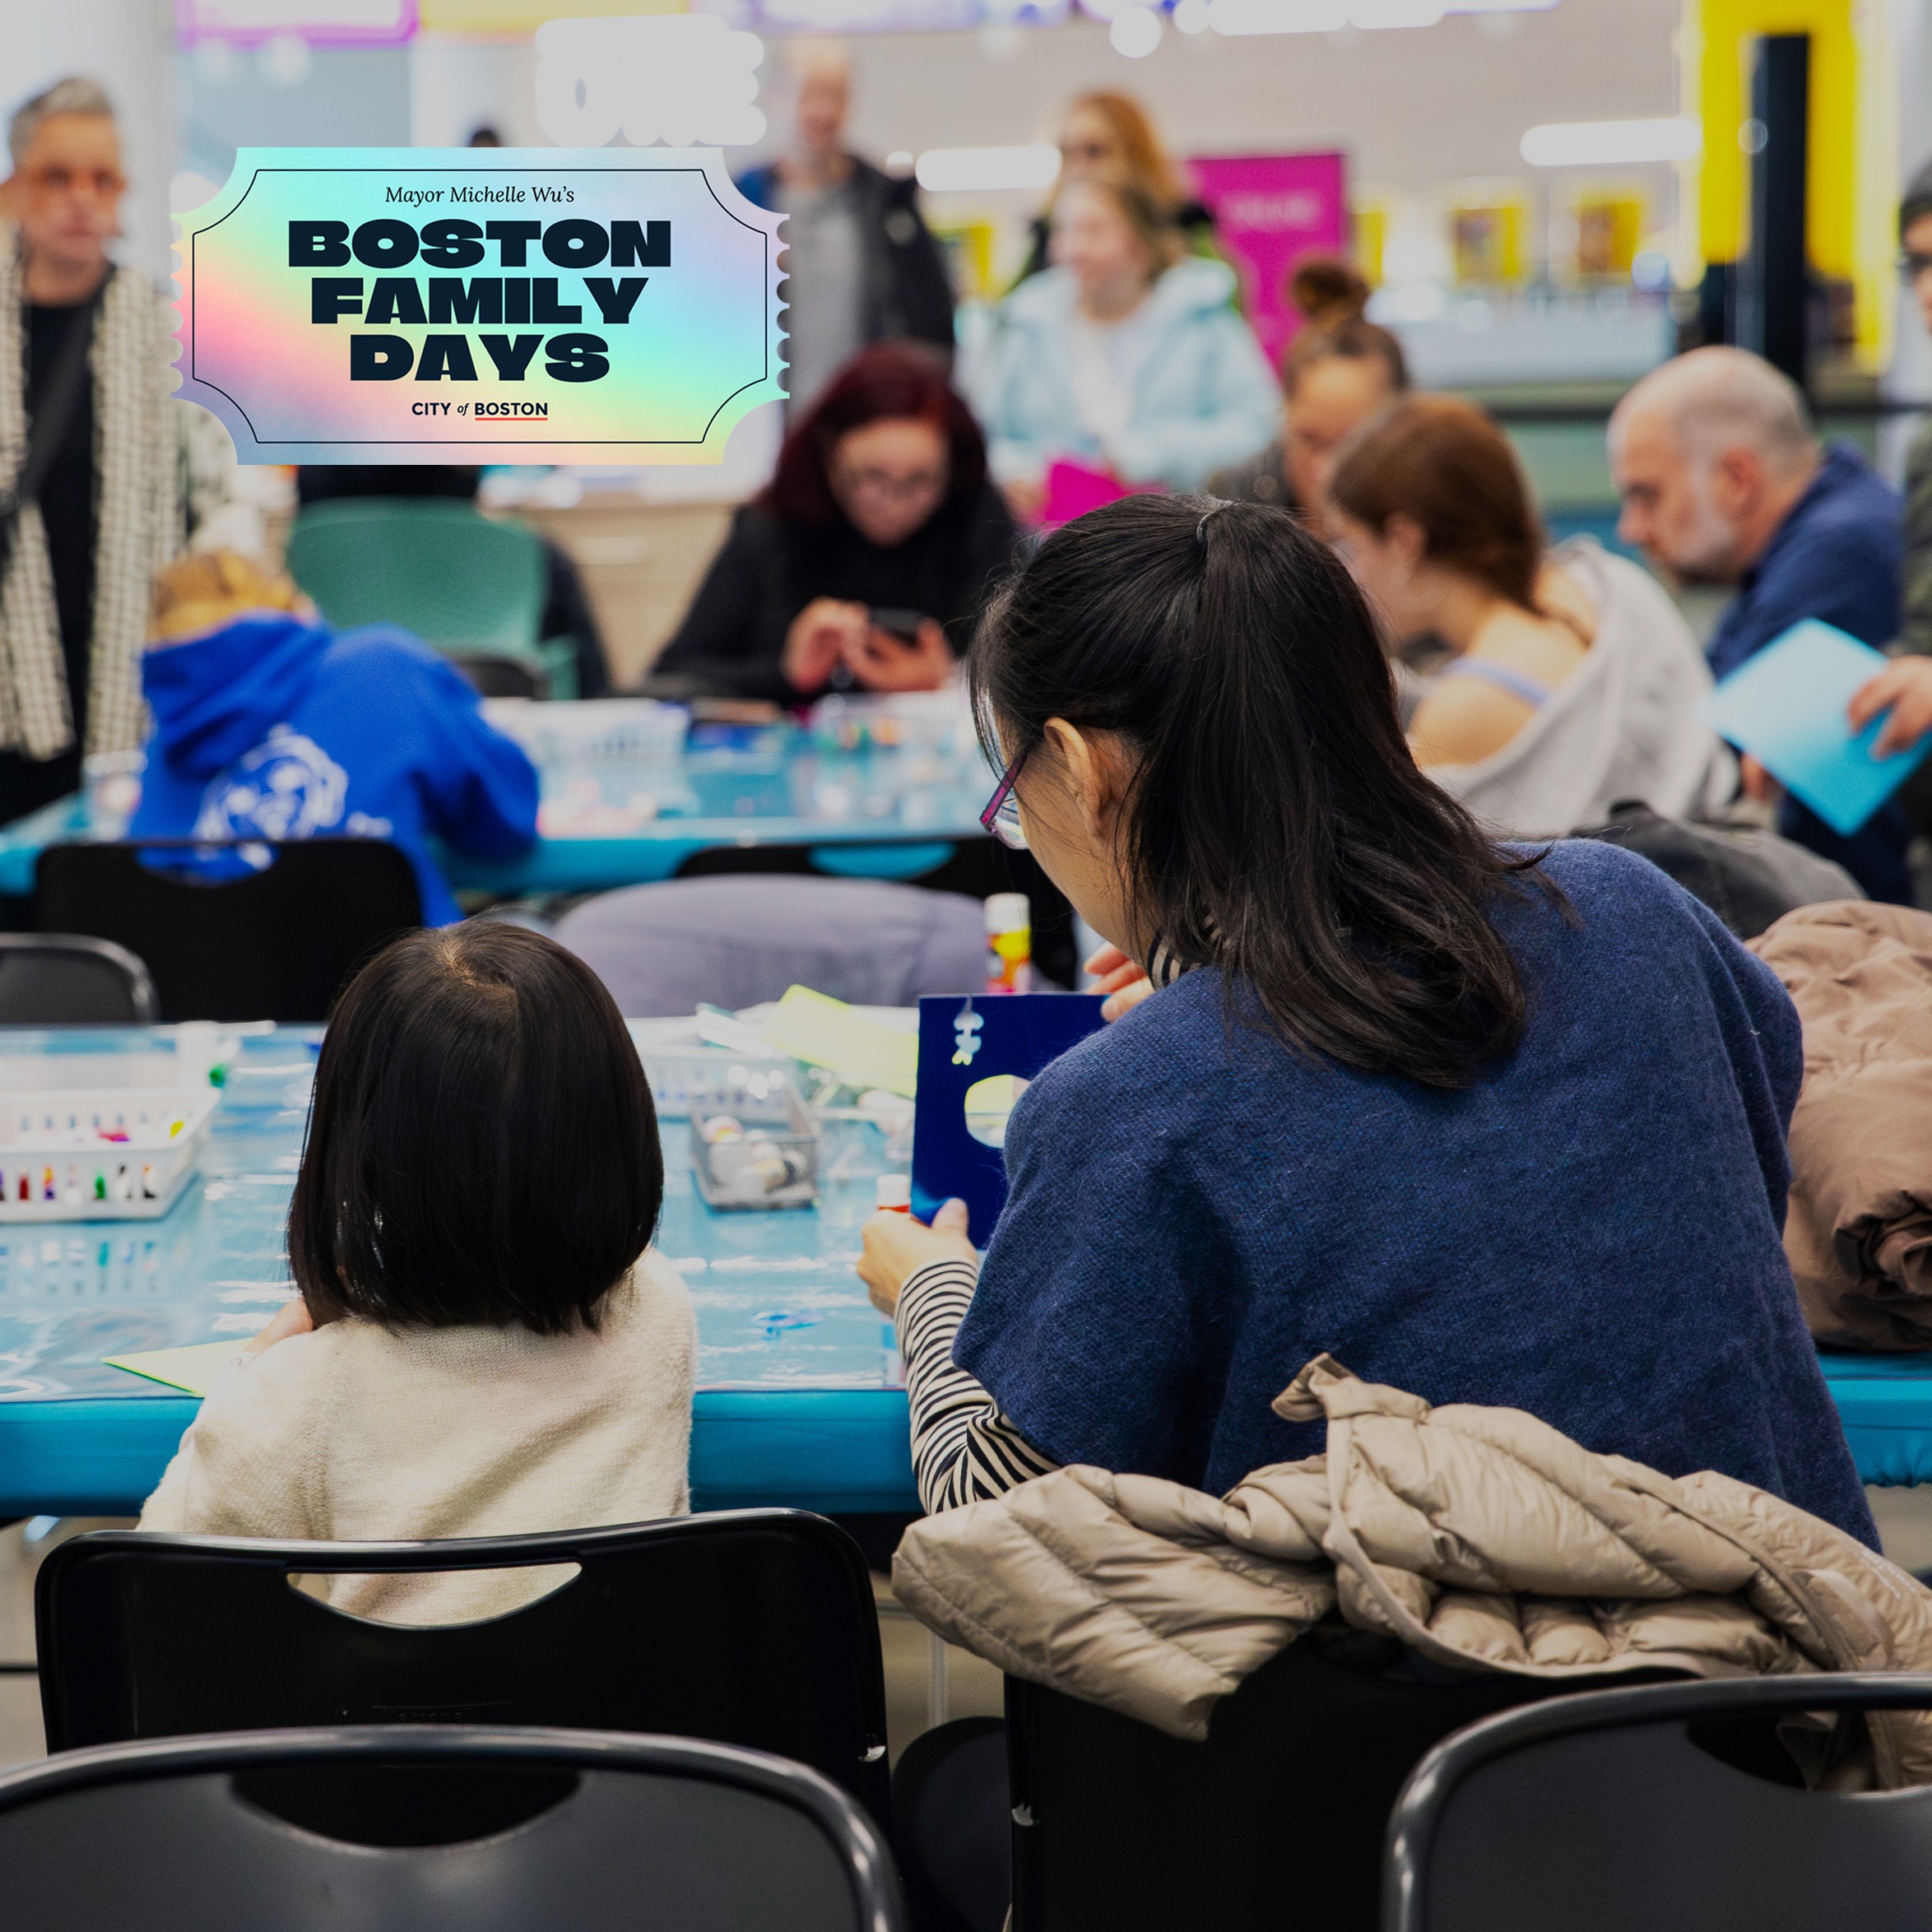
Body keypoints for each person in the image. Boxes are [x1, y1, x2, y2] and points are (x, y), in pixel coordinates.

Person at [857, 495, 1873, 1557]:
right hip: (1786, 1676)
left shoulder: (1135, 1100)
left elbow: (1004, 1515)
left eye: (1019, 799)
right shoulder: (1636, 911)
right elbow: (1749, 1120)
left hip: (1432, 1708)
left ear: (1084, 768)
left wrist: (930, 1291)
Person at [140, 922, 695, 1626]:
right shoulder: (656, 1314)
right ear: (621, 1129)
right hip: (628, 1734)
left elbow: (157, 1579)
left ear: (356, 1146)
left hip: (377, 1736)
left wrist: (252, 1367)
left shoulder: (297, 1397)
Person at [0, 78, 250, 829]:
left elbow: (226, 507)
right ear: (14, 188)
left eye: (102, 178)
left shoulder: (174, 329)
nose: (82, 198)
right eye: (57, 176)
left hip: (139, 703)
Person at [1328, 394, 1729, 834]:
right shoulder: (1614, 583)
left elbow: (1420, 873)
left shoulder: (1463, 709)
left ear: (1405, 541)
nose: (1351, 573)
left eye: (1354, 548)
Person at [1609, 346, 1914, 901]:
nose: (1632, 529)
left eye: (1647, 495)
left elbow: (1696, 756)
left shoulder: (1843, 552)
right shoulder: (1819, 537)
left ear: (1736, 479)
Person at [129, 550, 538, 927]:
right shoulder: (384, 666)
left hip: (214, 997)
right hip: (401, 993)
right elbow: (508, 821)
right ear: (293, 605)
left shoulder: (168, 735)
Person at [654, 344, 1018, 704]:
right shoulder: (774, 527)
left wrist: (951, 681)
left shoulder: (977, 518)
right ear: (829, 456)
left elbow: (1034, 672)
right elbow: (672, 676)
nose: (893, 503)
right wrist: (786, 675)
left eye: (920, 481)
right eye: (871, 478)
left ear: (951, 469)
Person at [965, 177, 1279, 509]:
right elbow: (976, 433)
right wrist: (1015, 472)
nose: (1073, 249)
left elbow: (1258, 429)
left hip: (1178, 532)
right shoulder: (1023, 324)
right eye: (1063, 230)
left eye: (1094, 231)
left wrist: (1152, 454)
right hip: (1047, 537)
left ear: (1143, 245)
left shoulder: (1203, 320)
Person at [735, 41, 954, 416]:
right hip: (762, 431)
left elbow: (934, 329)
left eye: (834, 95)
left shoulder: (889, 205)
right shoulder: (737, 207)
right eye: (808, 93)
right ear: (776, 97)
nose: (822, 110)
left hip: (864, 430)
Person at [1207, 257, 1409, 529]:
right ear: (1285, 416)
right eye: (1310, 440)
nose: (1326, 471)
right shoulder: (1231, 509)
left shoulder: (1438, 523)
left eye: (1354, 446)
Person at [1012, 91, 1218, 288]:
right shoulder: (1045, 240)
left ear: (1135, 154)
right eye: (1067, 153)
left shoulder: (1183, 232)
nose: (1078, 168)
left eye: (1094, 151)